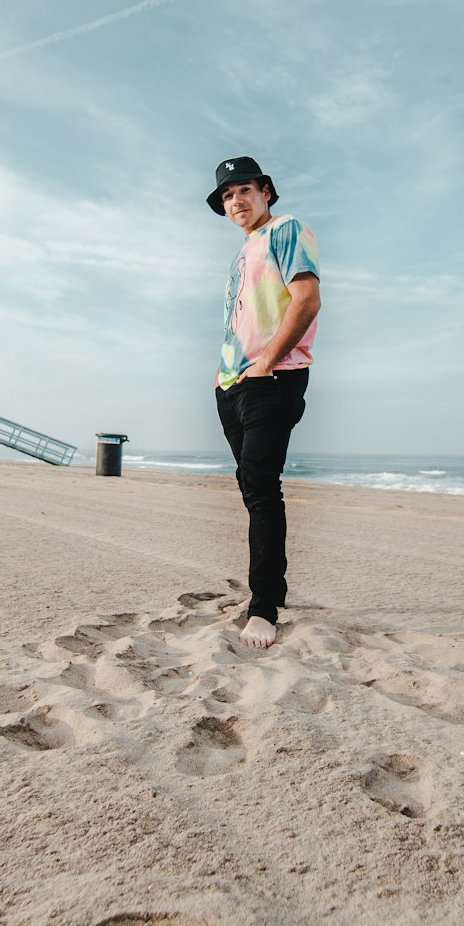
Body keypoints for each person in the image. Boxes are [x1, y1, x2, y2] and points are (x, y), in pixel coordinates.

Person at [208, 156, 321, 649]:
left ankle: (265, 608)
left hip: (271, 377)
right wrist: (225, 376)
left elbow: (307, 299)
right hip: (233, 382)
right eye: (228, 196)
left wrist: (266, 362)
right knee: (251, 488)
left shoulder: (285, 229)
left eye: (244, 191)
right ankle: (268, 592)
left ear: (266, 192)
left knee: (260, 486)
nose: (236, 201)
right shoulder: (244, 250)